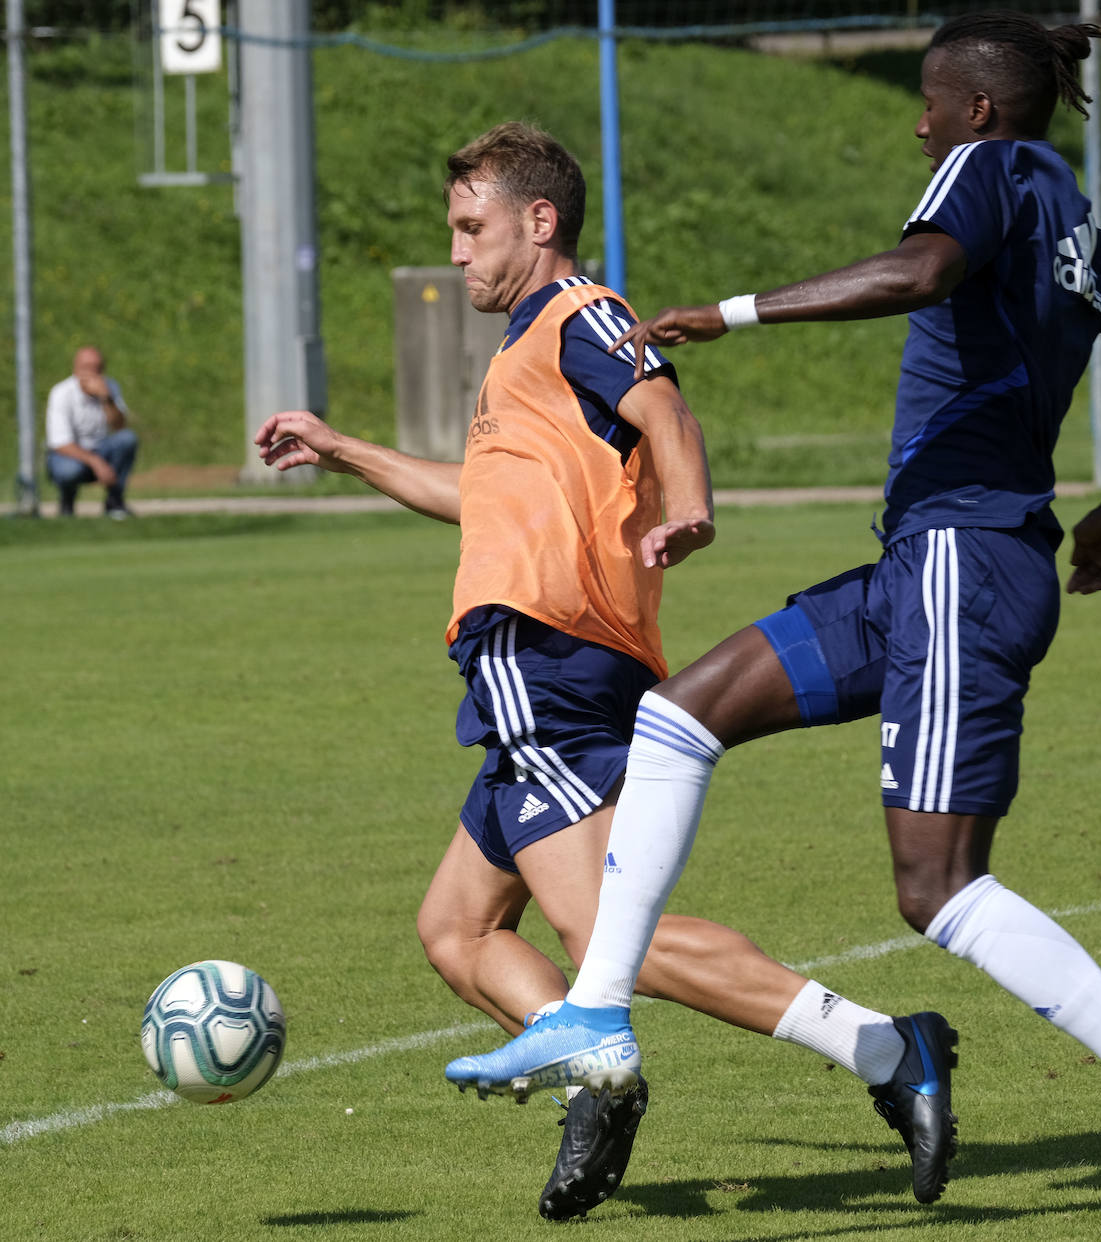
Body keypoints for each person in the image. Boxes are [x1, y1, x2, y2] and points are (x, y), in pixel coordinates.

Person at [442, 18, 1101, 1242]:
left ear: (979, 111)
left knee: (936, 889)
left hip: (959, 567)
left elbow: (922, 270)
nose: (919, 124)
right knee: (678, 717)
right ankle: (600, 1008)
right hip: (922, 568)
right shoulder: (1078, 228)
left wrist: (735, 310)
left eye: (933, 106)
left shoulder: (983, 174)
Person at [255, 122, 962, 1220]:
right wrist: (343, 448)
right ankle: (601, 1075)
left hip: (554, 659)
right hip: (523, 678)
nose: (457, 250)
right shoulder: (523, 355)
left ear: (539, 224)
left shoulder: (580, 314)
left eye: (471, 226)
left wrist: (692, 506)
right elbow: (474, 497)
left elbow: (663, 406)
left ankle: (883, 1050)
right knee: (459, 931)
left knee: (601, 939)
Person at [45, 346, 139, 518]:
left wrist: (106, 399)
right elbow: (59, 443)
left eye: (97, 368)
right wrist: (95, 462)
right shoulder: (61, 393)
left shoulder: (110, 387)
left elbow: (120, 427)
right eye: (86, 367)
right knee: (68, 470)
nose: (92, 373)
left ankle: (115, 501)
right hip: (70, 455)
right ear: (75, 369)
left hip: (101, 449)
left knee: (128, 439)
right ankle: (67, 501)